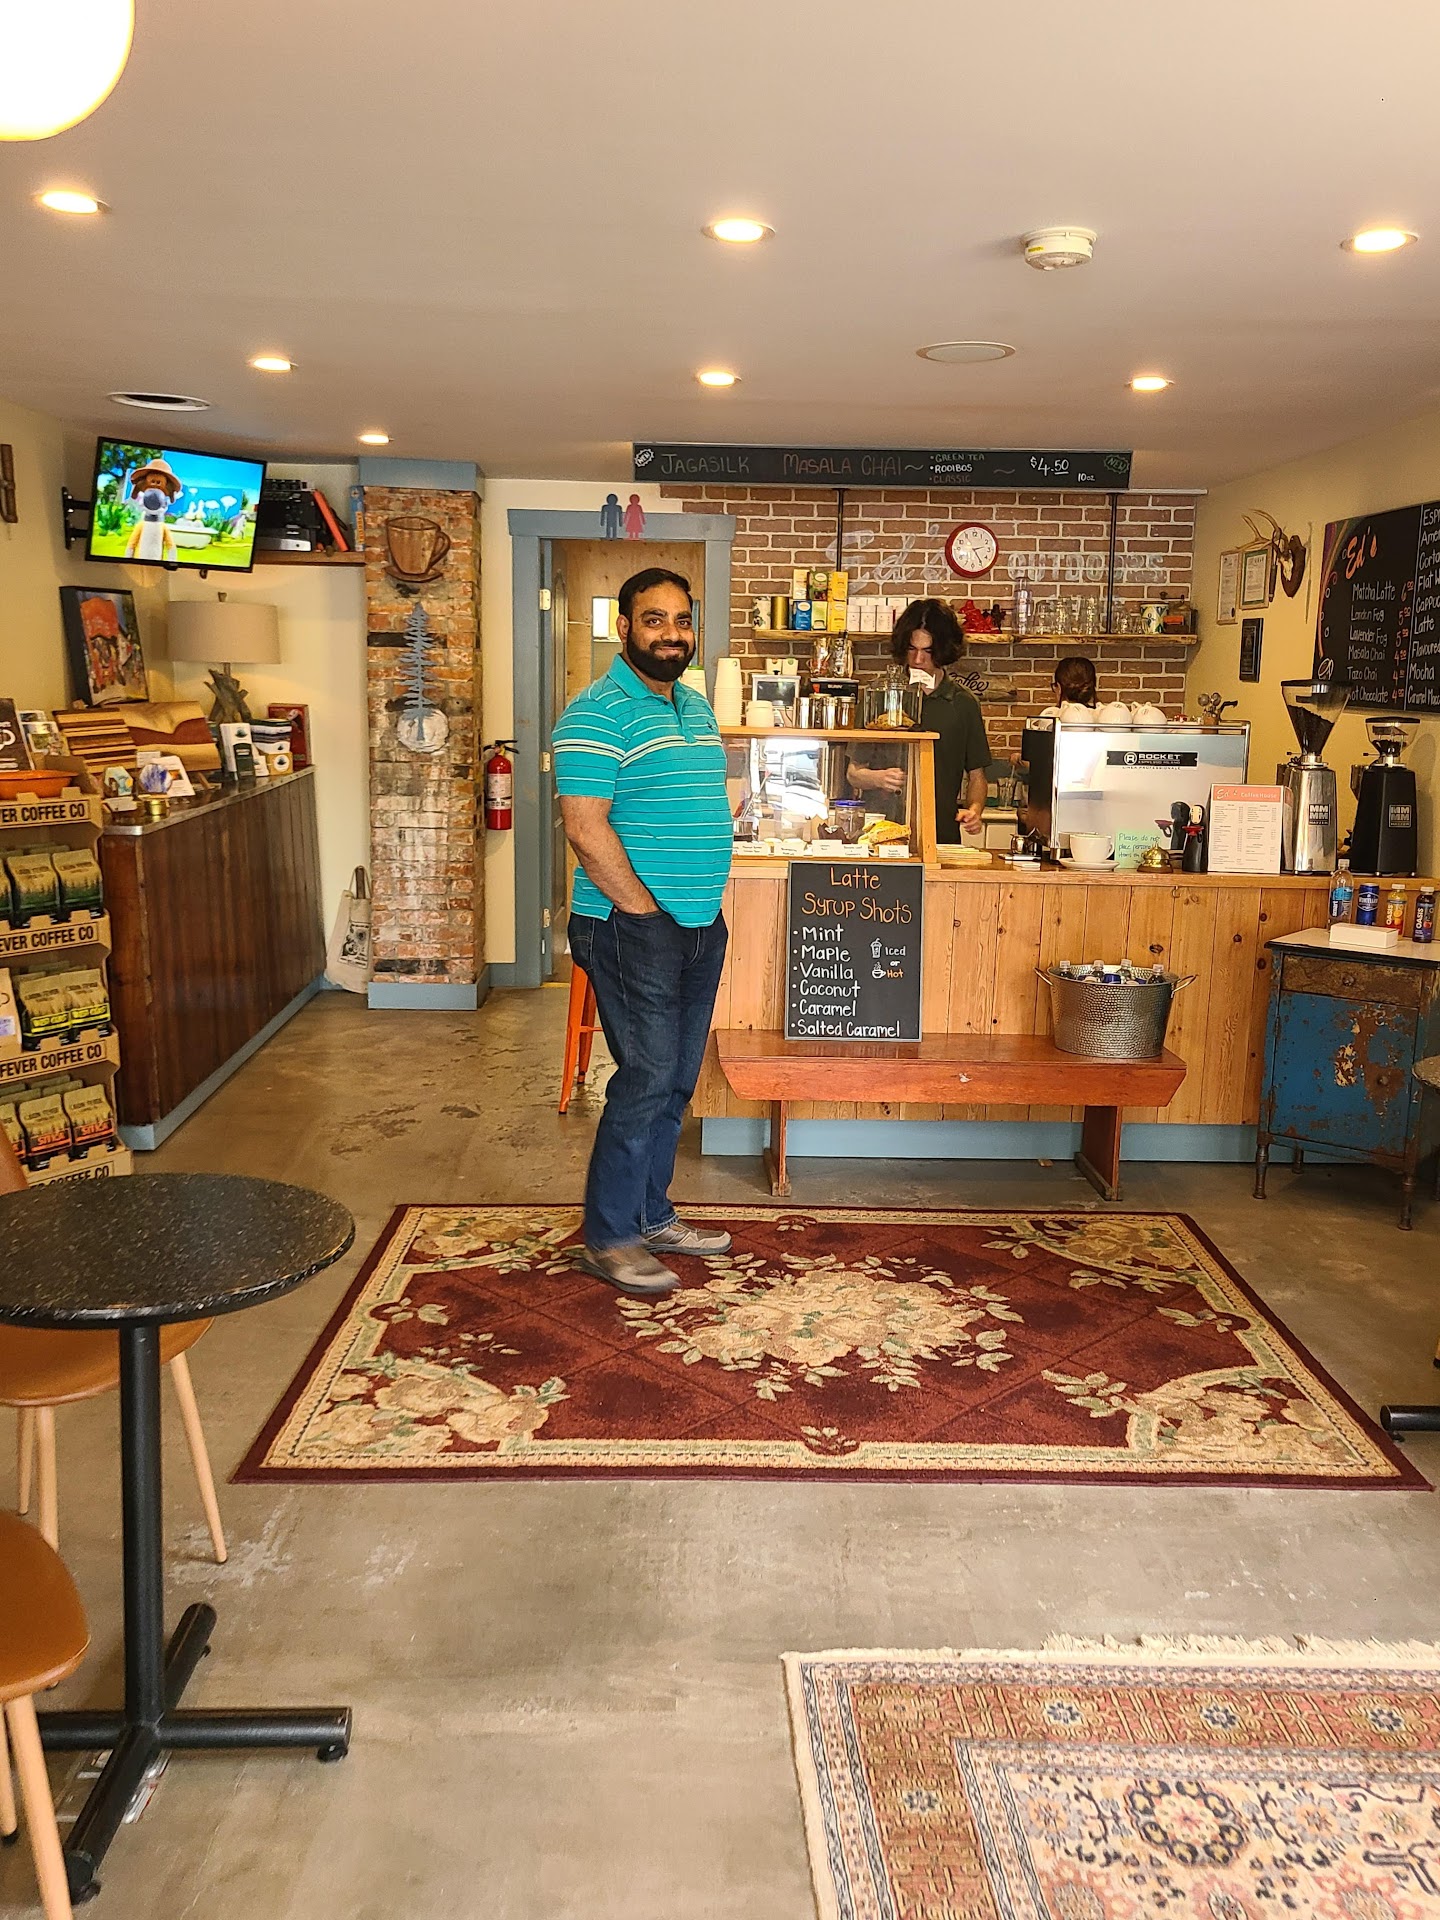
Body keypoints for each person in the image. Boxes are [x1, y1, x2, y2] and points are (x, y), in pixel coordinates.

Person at [553, 568, 734, 1299]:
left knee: (678, 1079)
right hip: (629, 926)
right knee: (647, 1077)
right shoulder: (594, 711)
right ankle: (610, 1236)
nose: (671, 634)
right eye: (654, 620)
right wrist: (643, 911)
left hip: (697, 923)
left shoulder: (695, 705)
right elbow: (583, 826)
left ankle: (652, 1215)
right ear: (623, 627)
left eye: (682, 620)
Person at [847, 599, 991, 843]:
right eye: (911, 649)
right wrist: (878, 778)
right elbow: (853, 773)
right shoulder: (877, 697)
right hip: (880, 833)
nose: (917, 659)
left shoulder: (963, 703)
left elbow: (977, 776)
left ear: (944, 650)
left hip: (940, 833)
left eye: (928, 651)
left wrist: (974, 810)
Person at [1014, 656, 1098, 836]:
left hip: (1050, 819)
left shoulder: (1050, 719)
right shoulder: (1103, 718)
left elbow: (1036, 765)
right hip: (1095, 817)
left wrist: (1018, 759)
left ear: (1058, 688)